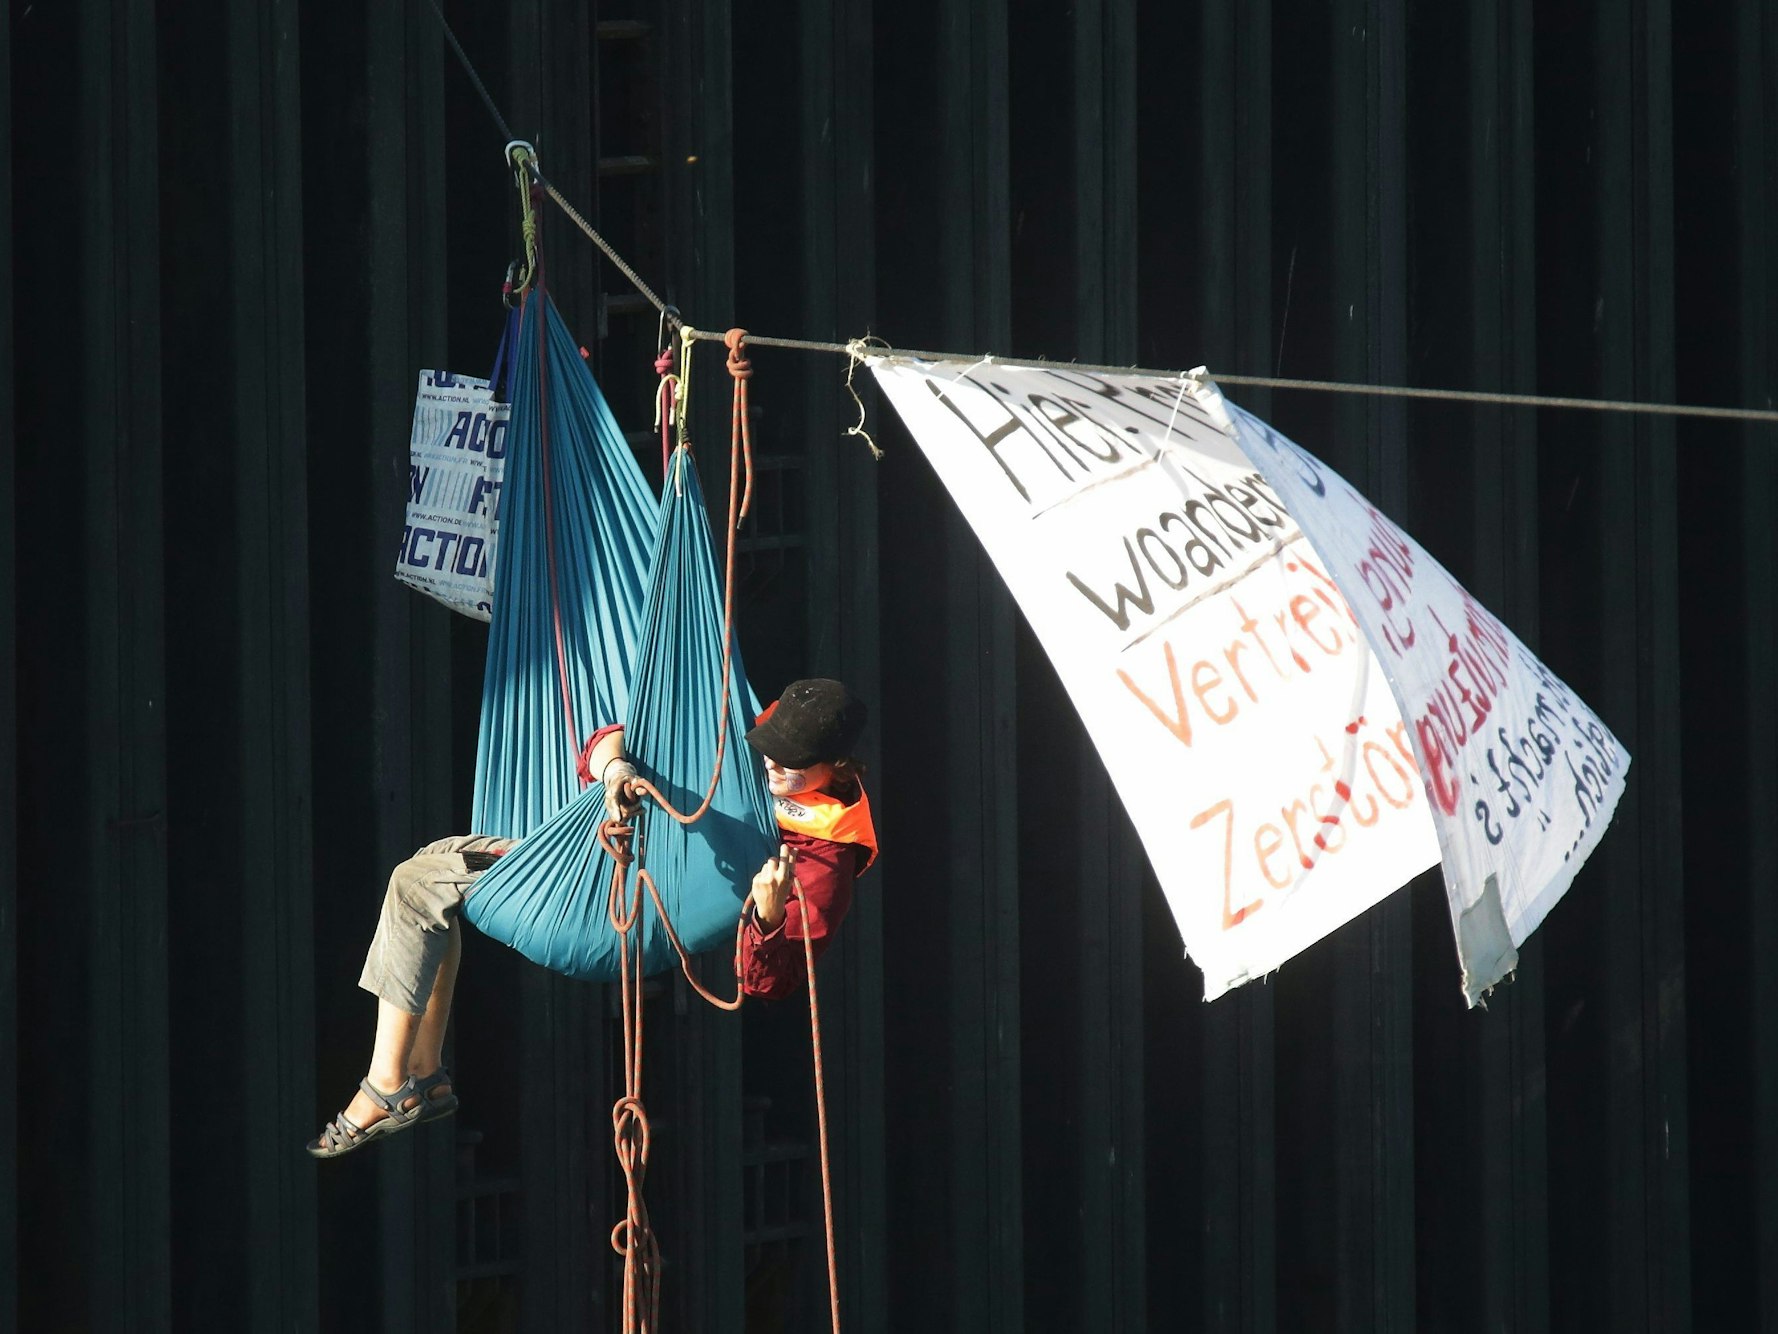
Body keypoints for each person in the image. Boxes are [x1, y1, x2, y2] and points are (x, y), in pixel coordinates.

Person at [306, 678, 877, 1159]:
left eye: (795, 763)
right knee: (430, 868)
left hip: (618, 908)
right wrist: (614, 770)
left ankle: (386, 1083)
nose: (774, 764)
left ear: (839, 765)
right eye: (770, 748)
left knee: (414, 887)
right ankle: (425, 1074)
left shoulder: (825, 860)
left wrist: (771, 913)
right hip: (590, 852)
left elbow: (768, 983)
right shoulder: (744, 744)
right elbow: (609, 736)